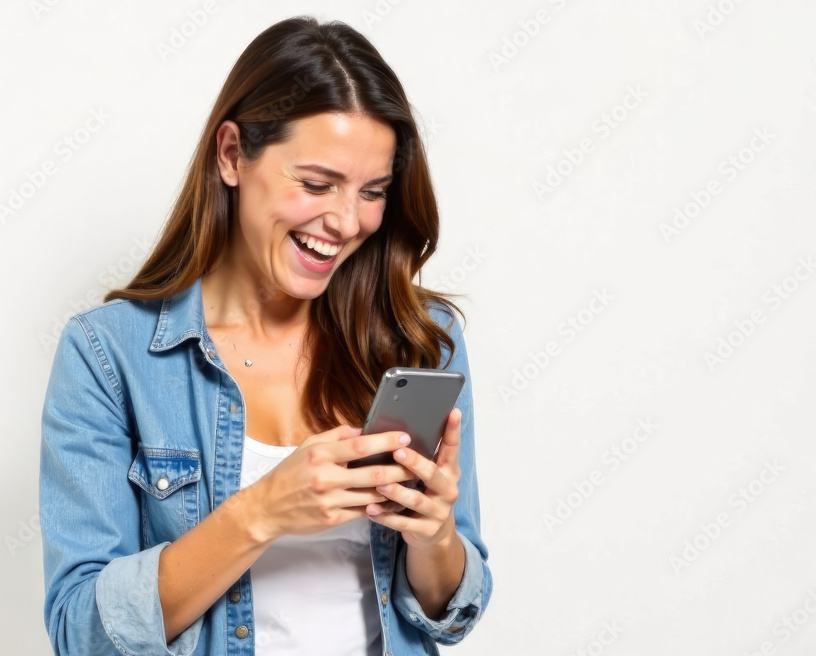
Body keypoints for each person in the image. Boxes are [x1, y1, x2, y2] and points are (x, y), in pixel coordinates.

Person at [40, 15, 493, 656]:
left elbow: (452, 612)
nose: (344, 221)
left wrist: (434, 537)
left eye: (373, 192)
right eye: (315, 184)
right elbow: (81, 633)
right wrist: (262, 512)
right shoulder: (110, 356)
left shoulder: (420, 340)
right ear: (231, 155)